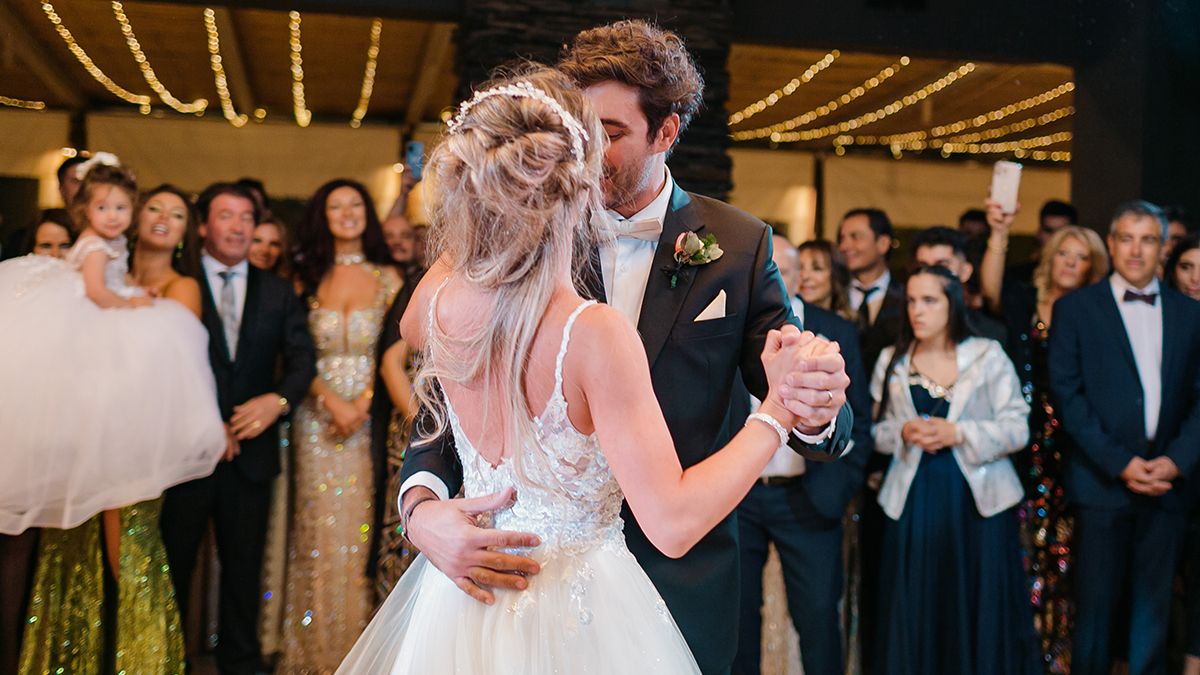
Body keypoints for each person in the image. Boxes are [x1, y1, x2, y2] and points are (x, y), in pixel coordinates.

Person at [339, 62, 841, 675]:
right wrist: (775, 413)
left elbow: (421, 332)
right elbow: (672, 520)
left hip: (488, 612)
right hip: (584, 608)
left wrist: (811, 407)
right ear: (574, 187)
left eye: (613, 132)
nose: (602, 155)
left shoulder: (439, 306)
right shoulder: (596, 332)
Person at [1, 157, 225, 674]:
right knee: (74, 548)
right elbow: (92, 311)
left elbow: (167, 370)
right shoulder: (105, 260)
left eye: (176, 213)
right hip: (88, 433)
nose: (157, 219)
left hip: (133, 441)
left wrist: (134, 303)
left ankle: (141, 657)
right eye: (153, 209)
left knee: (131, 549)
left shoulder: (175, 286)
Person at [160, 182, 315, 675]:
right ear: (204, 225)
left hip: (252, 453)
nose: (239, 226)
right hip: (185, 455)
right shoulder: (178, 283)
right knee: (173, 566)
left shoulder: (276, 290)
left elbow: (303, 359)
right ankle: (167, 659)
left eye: (247, 217)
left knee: (244, 572)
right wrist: (205, 423)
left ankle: (241, 665)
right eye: (226, 216)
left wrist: (279, 400)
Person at [1050, 201, 1200, 675]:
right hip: (1101, 484)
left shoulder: (1190, 313)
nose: (1136, 250)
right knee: (1094, 617)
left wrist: (1176, 461)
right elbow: (1068, 397)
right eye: (1127, 238)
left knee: (1153, 614)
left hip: (1167, 485)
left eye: (1148, 239)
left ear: (1163, 247)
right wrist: (1121, 463)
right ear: (1112, 244)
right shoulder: (1075, 308)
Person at [871, 265, 1038, 675]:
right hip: (915, 498)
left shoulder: (986, 354)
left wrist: (959, 432)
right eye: (911, 301)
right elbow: (874, 432)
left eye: (929, 300)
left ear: (953, 304)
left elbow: (1018, 428)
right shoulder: (892, 359)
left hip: (976, 502)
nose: (917, 311)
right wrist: (903, 432)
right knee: (919, 601)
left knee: (975, 600)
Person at [278, 179, 401, 673]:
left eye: (355, 205)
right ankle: (314, 651)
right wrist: (329, 400)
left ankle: (359, 650)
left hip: (370, 419)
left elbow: (398, 350)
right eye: (336, 206)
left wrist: (364, 403)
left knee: (362, 528)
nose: (347, 213)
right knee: (315, 530)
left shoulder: (388, 278)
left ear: (367, 214)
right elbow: (294, 351)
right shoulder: (305, 278)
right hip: (316, 419)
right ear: (322, 216)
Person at [734, 234, 872, 675]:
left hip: (807, 495)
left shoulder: (836, 330)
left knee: (816, 618)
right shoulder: (735, 323)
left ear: (797, 277)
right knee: (738, 619)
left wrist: (840, 486)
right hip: (739, 494)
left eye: (783, 269)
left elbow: (860, 419)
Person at [986, 205, 1109, 672]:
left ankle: (1060, 657)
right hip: (1023, 441)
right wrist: (999, 232)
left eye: (1081, 257)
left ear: (1092, 267)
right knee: (1023, 548)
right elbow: (991, 289)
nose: (1070, 263)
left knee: (1067, 555)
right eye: (1064, 254)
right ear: (1050, 257)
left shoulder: (1097, 315)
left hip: (1075, 446)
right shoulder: (1024, 301)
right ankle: (1022, 653)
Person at [911, 226, 1007, 342]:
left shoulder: (987, 336)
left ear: (965, 272)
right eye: (923, 267)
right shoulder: (905, 328)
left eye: (942, 267)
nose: (930, 275)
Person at [797, 239, 854, 322]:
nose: (805, 276)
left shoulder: (848, 325)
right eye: (799, 268)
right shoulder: (782, 321)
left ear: (836, 275)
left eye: (817, 268)